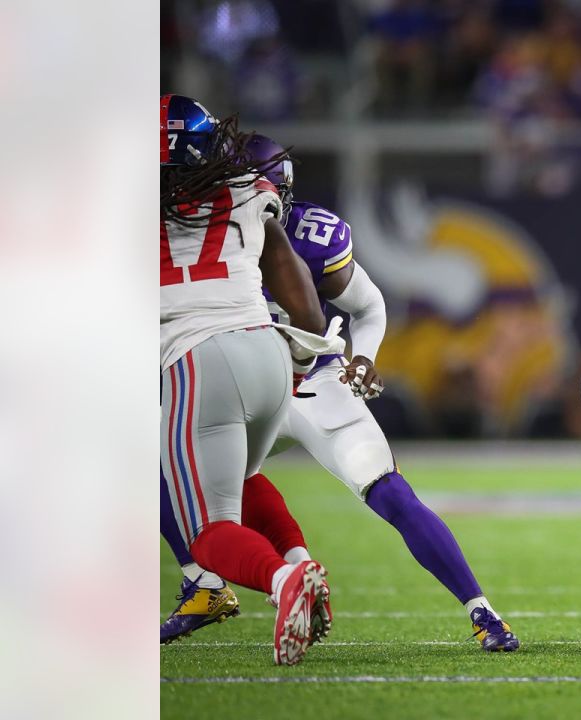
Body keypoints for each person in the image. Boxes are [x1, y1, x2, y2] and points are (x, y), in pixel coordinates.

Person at [159, 134, 520, 652]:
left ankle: (483, 610)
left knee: (387, 490)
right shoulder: (196, 231)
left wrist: (364, 356)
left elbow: (367, 305)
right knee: (188, 465)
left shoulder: (299, 232)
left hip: (313, 382)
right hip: (257, 377)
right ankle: (219, 581)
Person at [161, 94, 335, 665]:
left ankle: (286, 580)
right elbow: (295, 287)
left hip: (196, 358)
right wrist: (303, 361)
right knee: (249, 475)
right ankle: (303, 560)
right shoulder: (247, 189)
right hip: (266, 350)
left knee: (209, 535)